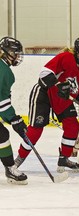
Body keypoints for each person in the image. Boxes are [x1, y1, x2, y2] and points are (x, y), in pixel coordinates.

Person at [14, 37, 79, 172]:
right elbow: (44, 74)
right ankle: (19, 159)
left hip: (62, 99)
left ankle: (63, 159)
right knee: (36, 130)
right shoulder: (65, 57)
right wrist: (58, 85)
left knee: (72, 127)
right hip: (44, 94)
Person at [0, 36, 28, 184]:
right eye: (15, 52)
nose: (17, 56)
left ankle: (10, 167)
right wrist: (13, 118)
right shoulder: (4, 71)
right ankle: (10, 168)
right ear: (5, 52)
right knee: (1, 135)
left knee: (1, 134)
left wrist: (12, 118)